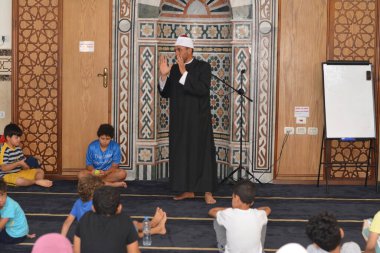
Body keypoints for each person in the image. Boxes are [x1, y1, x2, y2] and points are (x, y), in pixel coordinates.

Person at [158, 34, 217, 204]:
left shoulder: (203, 67)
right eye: (176, 49)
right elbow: (166, 93)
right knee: (183, 154)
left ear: (190, 50)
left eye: (179, 49)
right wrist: (163, 76)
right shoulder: (174, 69)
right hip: (180, 121)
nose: (176, 52)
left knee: (202, 154)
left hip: (199, 120)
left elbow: (201, 90)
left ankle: (207, 192)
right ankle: (188, 190)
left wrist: (184, 72)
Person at [208, 180, 271, 253]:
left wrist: (231, 209)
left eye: (232, 198)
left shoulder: (228, 214)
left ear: (236, 198)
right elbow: (267, 209)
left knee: (217, 219)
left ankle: (223, 248)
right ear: (252, 202)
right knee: (263, 219)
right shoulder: (258, 214)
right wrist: (252, 210)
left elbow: (212, 211)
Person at [73, 186, 140, 253]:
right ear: (119, 208)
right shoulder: (126, 221)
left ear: (93, 208)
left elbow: (76, 250)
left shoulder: (85, 218)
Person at [0, 123, 53, 187]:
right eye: (16, 137)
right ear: (8, 138)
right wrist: (18, 163)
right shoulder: (3, 150)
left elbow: (24, 165)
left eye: (19, 137)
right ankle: (36, 181)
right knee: (20, 181)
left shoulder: (18, 149)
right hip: (7, 175)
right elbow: (4, 168)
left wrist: (26, 166)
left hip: (19, 173)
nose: (19, 139)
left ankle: (38, 182)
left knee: (40, 171)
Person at [78, 124, 127, 188]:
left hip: (108, 173)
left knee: (122, 173)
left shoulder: (115, 146)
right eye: (102, 138)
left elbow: (115, 166)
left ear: (111, 138)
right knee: (81, 175)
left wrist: (106, 172)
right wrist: (95, 172)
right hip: (95, 173)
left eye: (107, 139)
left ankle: (96, 183)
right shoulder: (92, 146)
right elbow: (89, 165)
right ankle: (109, 184)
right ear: (99, 137)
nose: (105, 141)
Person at [0, 179, 35, 243]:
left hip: (15, 236)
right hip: (20, 232)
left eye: (2, 195)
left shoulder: (9, 206)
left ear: (6, 193)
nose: (1, 200)